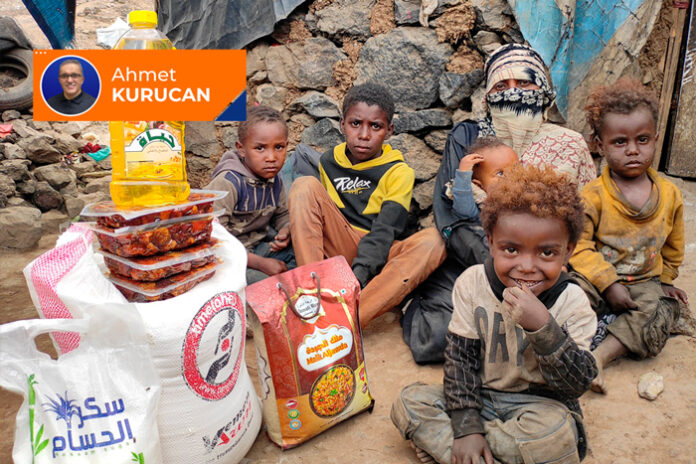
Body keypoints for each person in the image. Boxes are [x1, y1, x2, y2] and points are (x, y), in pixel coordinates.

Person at [402, 43, 596, 365]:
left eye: (524, 83)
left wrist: (553, 265)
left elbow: (586, 218)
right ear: (488, 96)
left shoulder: (568, 144)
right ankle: (416, 304)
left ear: (543, 91)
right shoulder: (469, 137)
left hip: (547, 269)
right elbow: (452, 218)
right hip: (475, 261)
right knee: (437, 340)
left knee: (557, 333)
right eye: (501, 85)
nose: (513, 92)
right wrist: (499, 267)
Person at [392, 164, 598, 464]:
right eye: (511, 250)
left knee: (555, 435)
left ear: (568, 251)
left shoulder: (572, 301)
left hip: (538, 408)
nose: (526, 267)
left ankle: (452, 451)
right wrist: (466, 427)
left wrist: (543, 328)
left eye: (547, 253)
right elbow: (460, 360)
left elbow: (577, 383)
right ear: (490, 242)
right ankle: (476, 450)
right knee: (409, 402)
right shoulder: (473, 283)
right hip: (480, 398)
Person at [288, 82, 446, 327]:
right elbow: (321, 213)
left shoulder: (399, 172)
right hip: (340, 243)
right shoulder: (329, 161)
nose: (364, 135)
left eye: (375, 126)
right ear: (342, 124)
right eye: (355, 124)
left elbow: (385, 230)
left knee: (434, 241)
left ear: (389, 130)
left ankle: (347, 321)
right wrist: (289, 226)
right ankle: (313, 295)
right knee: (304, 185)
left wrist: (358, 276)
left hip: (378, 250)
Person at [568, 79, 687, 394]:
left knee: (658, 312)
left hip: (643, 282)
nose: (633, 150)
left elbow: (674, 245)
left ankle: (599, 358)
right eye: (620, 142)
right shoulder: (593, 196)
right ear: (599, 145)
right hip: (596, 279)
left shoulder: (670, 195)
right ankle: (570, 348)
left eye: (643, 140)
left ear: (656, 139)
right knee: (568, 294)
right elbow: (579, 247)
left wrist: (666, 280)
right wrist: (608, 284)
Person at [401, 137, 517, 363]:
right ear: (479, 185)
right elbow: (463, 207)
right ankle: (412, 307)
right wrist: (463, 175)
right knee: (437, 340)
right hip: (466, 268)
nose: (511, 179)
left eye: (516, 170)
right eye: (500, 174)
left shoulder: (529, 200)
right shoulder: (480, 203)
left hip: (503, 281)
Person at [206, 105, 296, 284]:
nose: (271, 157)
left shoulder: (275, 179)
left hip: (259, 248)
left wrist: (285, 230)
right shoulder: (228, 182)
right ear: (241, 148)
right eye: (260, 148)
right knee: (264, 283)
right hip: (226, 258)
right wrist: (260, 264)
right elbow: (213, 237)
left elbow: (282, 214)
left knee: (302, 254)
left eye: (278, 147)